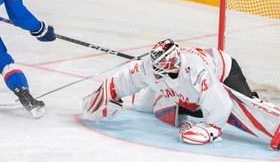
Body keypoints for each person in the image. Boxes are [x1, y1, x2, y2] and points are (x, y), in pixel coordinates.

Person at [82, 38, 262, 145]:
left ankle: (254, 99)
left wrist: (212, 129)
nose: (155, 70)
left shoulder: (194, 68)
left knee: (243, 103)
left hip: (224, 70)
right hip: (192, 90)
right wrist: (110, 92)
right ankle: (169, 100)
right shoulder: (149, 66)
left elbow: (220, 102)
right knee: (143, 105)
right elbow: (127, 78)